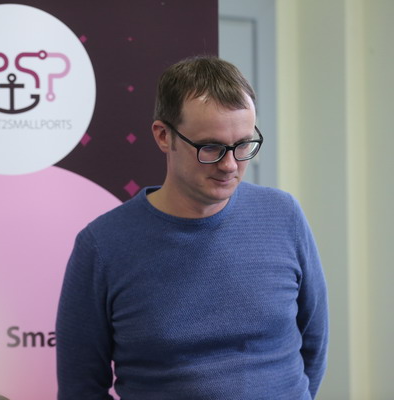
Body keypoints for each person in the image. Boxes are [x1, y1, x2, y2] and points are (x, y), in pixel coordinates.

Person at [55, 56, 328, 399]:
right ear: (163, 135)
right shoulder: (103, 246)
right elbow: (80, 387)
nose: (230, 165)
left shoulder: (284, 215)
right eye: (211, 147)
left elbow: (313, 345)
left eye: (243, 145)